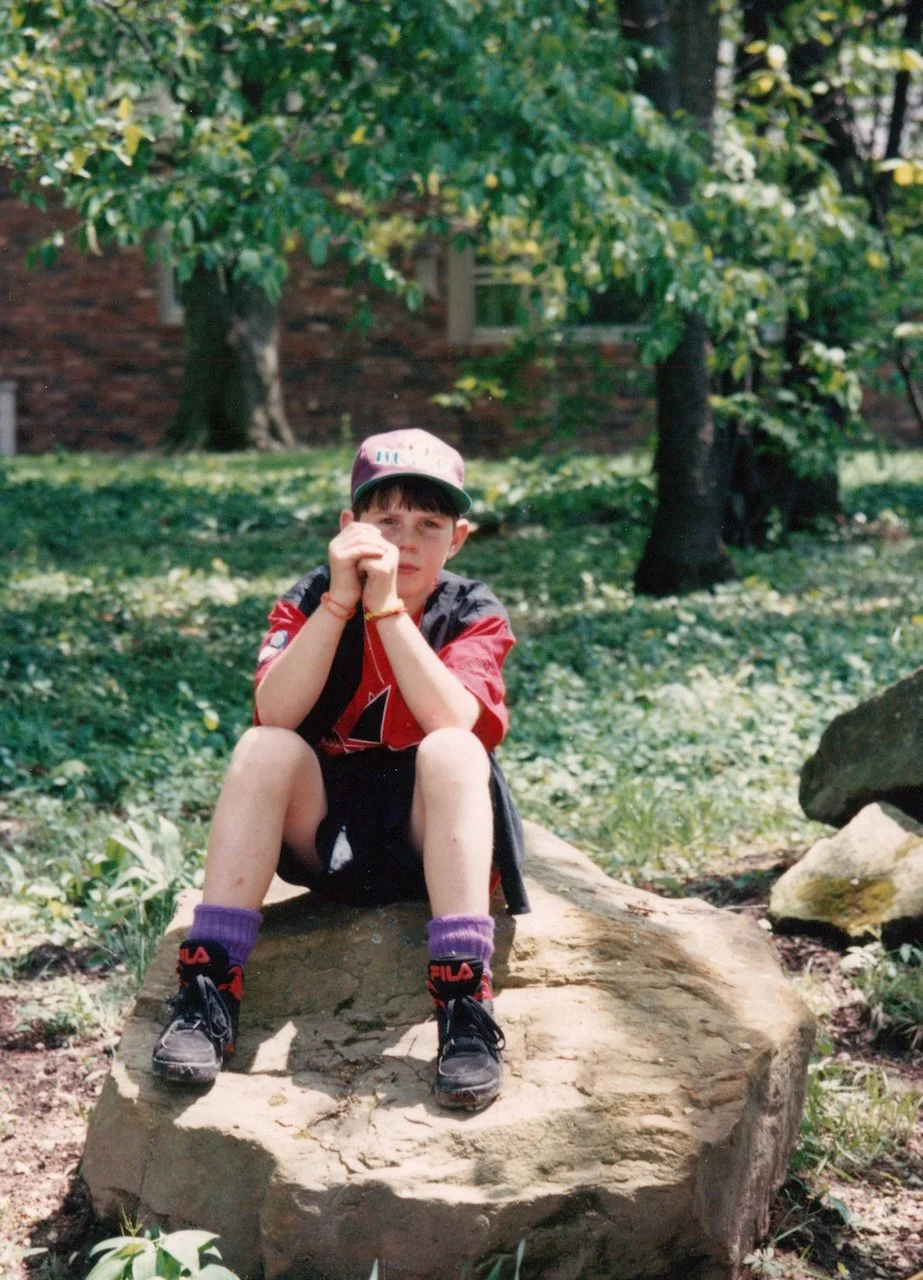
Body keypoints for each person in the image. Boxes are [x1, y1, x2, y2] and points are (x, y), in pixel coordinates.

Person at [152, 428, 529, 1111]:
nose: (406, 542)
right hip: (325, 838)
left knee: (452, 749)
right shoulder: (311, 598)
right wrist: (339, 604)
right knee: (261, 747)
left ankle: (463, 1001)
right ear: (348, 528)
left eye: (428, 524)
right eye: (386, 521)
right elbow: (275, 709)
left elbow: (458, 722)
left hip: (425, 845)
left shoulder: (472, 612)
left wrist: (385, 610)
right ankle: (208, 991)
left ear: (459, 538)